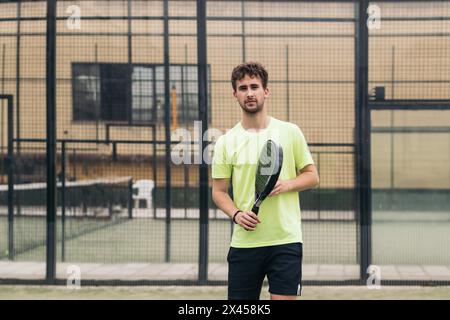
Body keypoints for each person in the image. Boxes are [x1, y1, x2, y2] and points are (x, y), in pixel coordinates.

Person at [211, 62, 319, 300]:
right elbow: (218, 192)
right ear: (235, 95)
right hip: (245, 243)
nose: (249, 93)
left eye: (254, 86)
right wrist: (237, 214)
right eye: (243, 88)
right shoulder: (226, 142)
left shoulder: (290, 132)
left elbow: (312, 176)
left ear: (265, 91)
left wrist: (287, 185)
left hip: (286, 240)